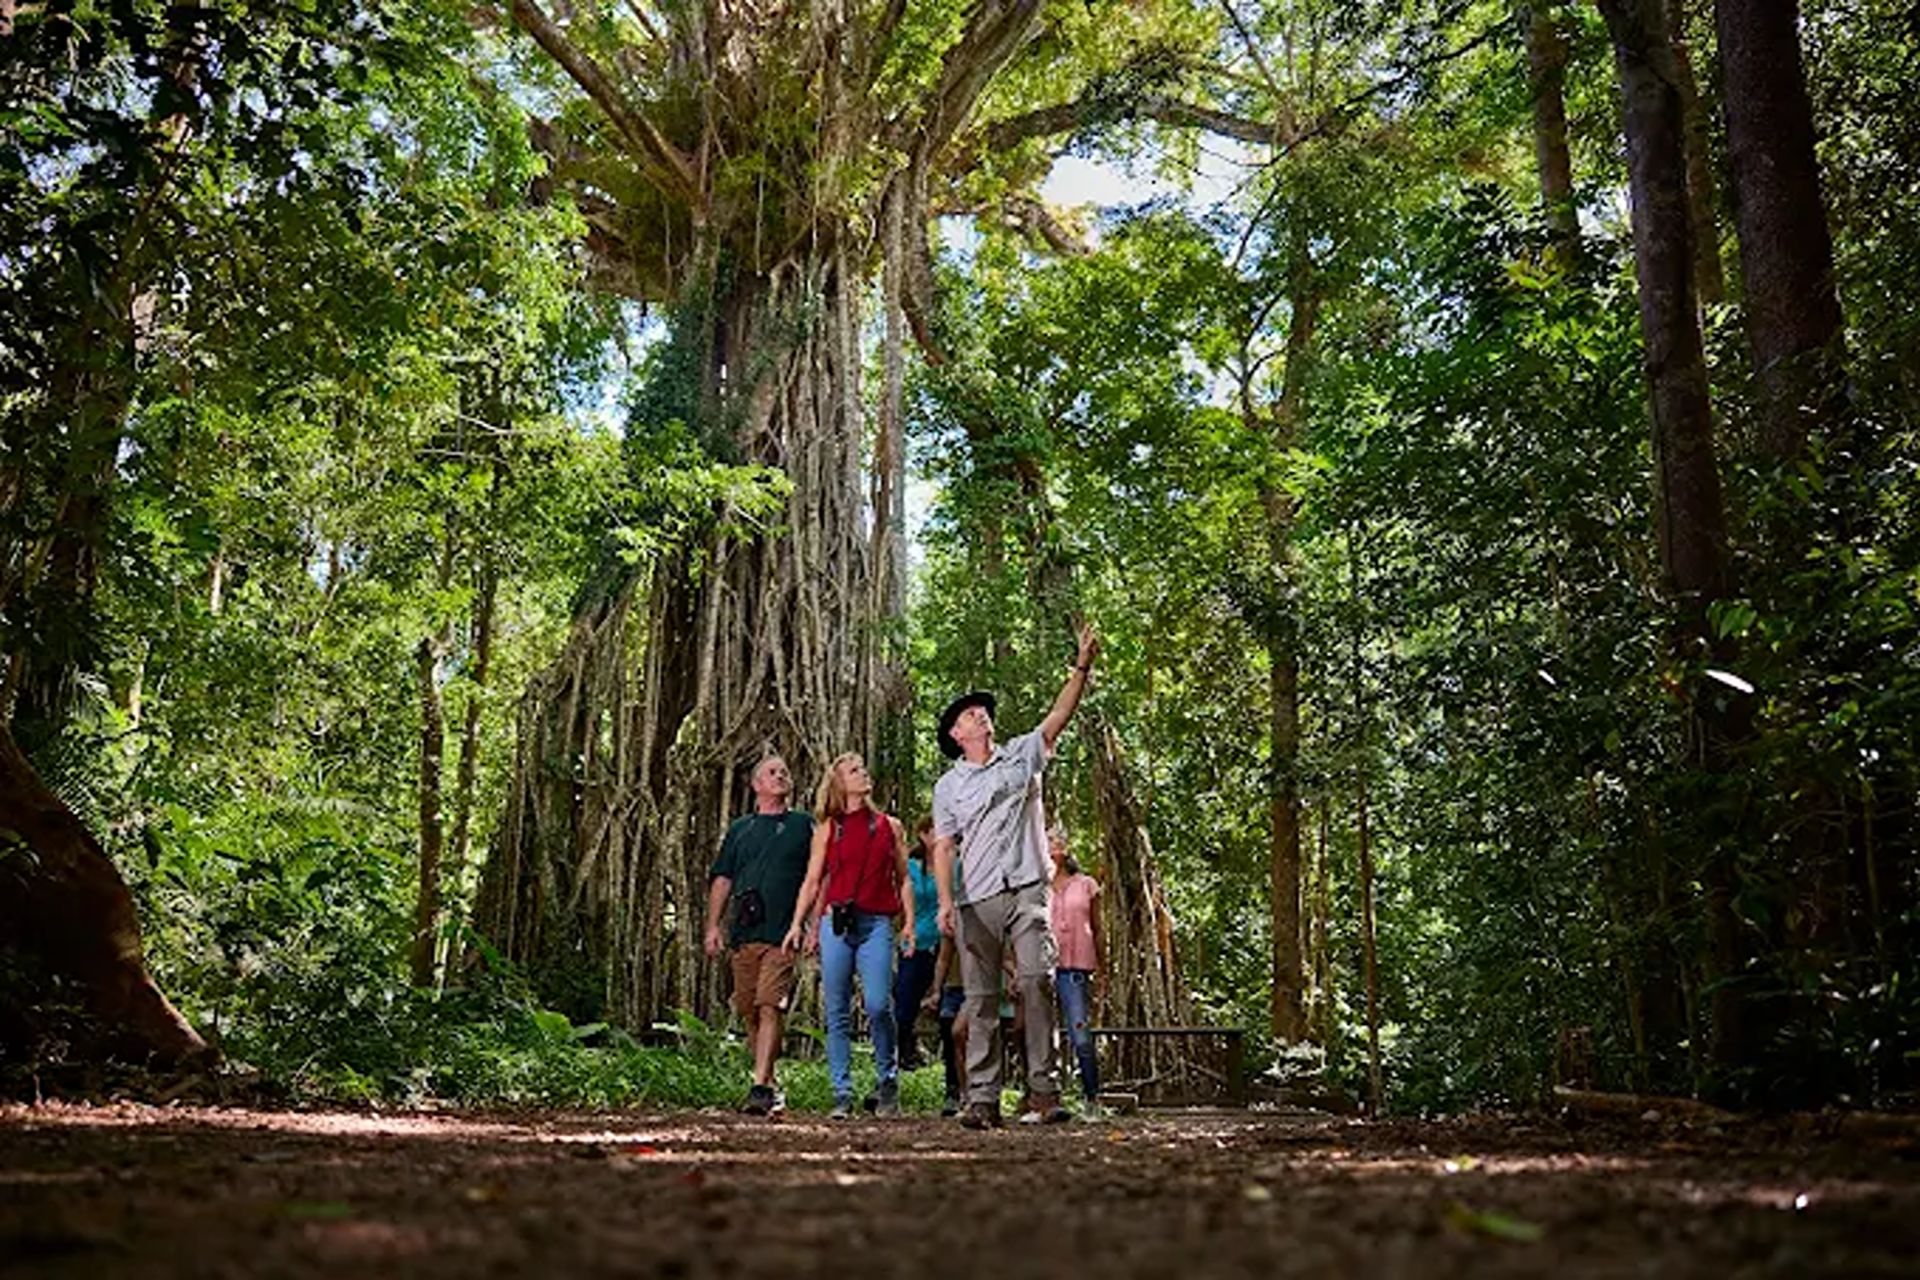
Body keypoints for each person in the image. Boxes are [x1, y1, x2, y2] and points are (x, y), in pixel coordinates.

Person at [932, 622, 1100, 1129]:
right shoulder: (948, 787)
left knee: (1034, 979)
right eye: (966, 714)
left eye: (979, 709)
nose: (977, 713)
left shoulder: (1023, 754)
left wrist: (1082, 666)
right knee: (980, 997)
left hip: (1027, 887)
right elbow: (943, 846)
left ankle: (1042, 1091)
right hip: (976, 898)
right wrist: (944, 900)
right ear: (957, 736)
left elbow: (1058, 716)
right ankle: (982, 1097)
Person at [786, 753, 915, 1119]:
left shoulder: (890, 826)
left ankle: (887, 1080)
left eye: (863, 768)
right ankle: (842, 1092)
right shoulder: (829, 828)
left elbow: (902, 877)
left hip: (876, 923)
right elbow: (813, 881)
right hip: (836, 924)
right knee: (837, 1009)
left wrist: (907, 923)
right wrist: (799, 923)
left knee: (877, 1004)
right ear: (839, 783)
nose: (863, 773)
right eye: (854, 770)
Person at [704, 755, 813, 1116]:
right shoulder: (740, 830)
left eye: (784, 772)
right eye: (772, 772)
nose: (780, 776)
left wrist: (810, 922)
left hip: (784, 934)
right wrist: (713, 926)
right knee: (749, 1008)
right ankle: (769, 1083)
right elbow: (723, 878)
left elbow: (819, 877)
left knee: (770, 1003)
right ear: (756, 785)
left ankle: (759, 1085)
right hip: (744, 934)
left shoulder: (804, 826)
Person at [1049, 824, 1105, 1113]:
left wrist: (1104, 968)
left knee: (1080, 1032)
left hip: (1076, 969)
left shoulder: (1086, 884)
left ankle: (1091, 1098)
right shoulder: (1033, 886)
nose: (1054, 844)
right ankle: (1044, 1099)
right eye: (1048, 840)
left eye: (1060, 839)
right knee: (1040, 1035)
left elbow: (1098, 927)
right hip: (1042, 969)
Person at [894, 817, 944, 1069]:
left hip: (947, 945)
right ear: (924, 835)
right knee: (904, 1005)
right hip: (917, 942)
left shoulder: (955, 865)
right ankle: (901, 1056)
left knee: (949, 1008)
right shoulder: (912, 867)